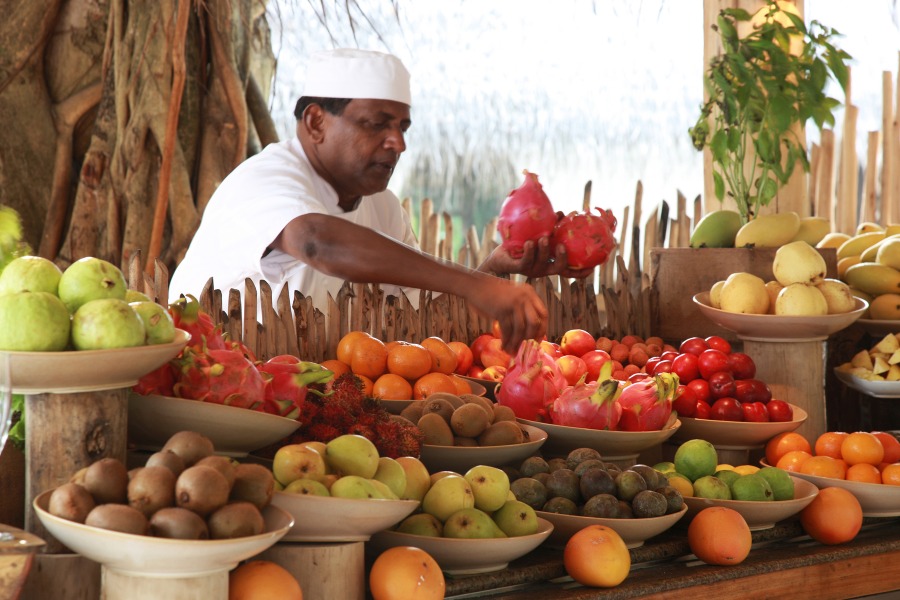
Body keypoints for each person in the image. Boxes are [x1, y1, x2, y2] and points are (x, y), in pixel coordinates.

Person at [169, 48, 588, 353]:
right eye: (376, 124)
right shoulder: (265, 178)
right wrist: (473, 283)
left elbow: (420, 314)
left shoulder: (381, 205)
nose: (398, 143)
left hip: (317, 394)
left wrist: (494, 270)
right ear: (316, 122)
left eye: (403, 126)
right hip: (214, 389)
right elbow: (318, 242)